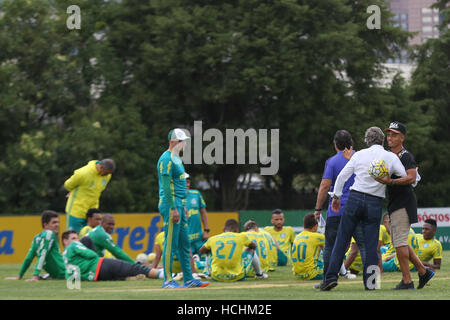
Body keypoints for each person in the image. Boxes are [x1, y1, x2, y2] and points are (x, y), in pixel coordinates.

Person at [320, 126, 409, 291]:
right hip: (375, 202)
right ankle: (371, 283)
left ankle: (330, 278)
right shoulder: (390, 156)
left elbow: (342, 177)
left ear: (366, 141)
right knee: (370, 246)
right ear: (382, 140)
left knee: (341, 240)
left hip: (354, 199)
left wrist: (336, 196)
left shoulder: (359, 154)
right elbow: (404, 176)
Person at [376, 121, 434, 290]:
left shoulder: (405, 156)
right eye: (388, 134)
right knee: (400, 242)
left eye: (394, 134)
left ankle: (407, 281)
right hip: (395, 203)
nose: (390, 137)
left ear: (402, 137)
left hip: (403, 203)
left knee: (400, 243)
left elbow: (412, 177)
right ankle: (424, 271)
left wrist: (391, 181)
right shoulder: (389, 155)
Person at [157, 128, 210, 289]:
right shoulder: (166, 159)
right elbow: (166, 187)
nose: (184, 144)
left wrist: (183, 206)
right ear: (172, 142)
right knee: (170, 242)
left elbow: (178, 185)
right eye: (181, 141)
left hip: (179, 203)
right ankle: (167, 280)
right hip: (170, 203)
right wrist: (173, 207)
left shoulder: (176, 159)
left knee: (184, 243)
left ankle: (188, 279)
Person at [314, 129, 358, 281]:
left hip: (337, 210)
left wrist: (318, 208)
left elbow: (325, 186)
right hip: (359, 208)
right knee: (366, 246)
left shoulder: (332, 162)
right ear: (351, 143)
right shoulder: (360, 157)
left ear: (335, 144)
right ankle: (372, 280)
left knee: (330, 246)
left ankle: (328, 279)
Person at [62, 230, 161, 281]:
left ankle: (129, 278)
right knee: (135, 268)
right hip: (100, 264)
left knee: (117, 275)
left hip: (94, 277)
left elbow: (69, 277)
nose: (76, 241)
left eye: (76, 238)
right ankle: (165, 275)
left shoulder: (64, 258)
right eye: (73, 238)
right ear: (65, 241)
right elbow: (91, 254)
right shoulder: (74, 245)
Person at [5, 210, 65, 281]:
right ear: (45, 225)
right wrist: (35, 275)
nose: (57, 225)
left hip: (59, 275)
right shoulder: (49, 234)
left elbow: (29, 258)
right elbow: (42, 254)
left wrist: (19, 276)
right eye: (54, 222)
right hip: (63, 274)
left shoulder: (36, 238)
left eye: (58, 222)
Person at [64, 159, 115, 232]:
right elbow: (67, 185)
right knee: (74, 238)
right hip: (76, 211)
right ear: (100, 167)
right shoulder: (83, 173)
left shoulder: (108, 176)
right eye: (106, 173)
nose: (107, 175)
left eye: (108, 174)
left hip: (92, 214)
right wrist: (72, 191)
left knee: (90, 240)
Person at [292, 213, 325, 280]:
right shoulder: (317, 236)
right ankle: (343, 272)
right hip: (312, 274)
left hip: (298, 274)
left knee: (316, 247)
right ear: (315, 226)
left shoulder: (297, 236)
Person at [185, 173, 210, 257]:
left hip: (199, 238)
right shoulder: (175, 198)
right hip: (186, 240)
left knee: (204, 264)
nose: (187, 184)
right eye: (184, 182)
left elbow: (203, 212)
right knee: (190, 266)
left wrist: (206, 230)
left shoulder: (196, 194)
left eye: (188, 182)